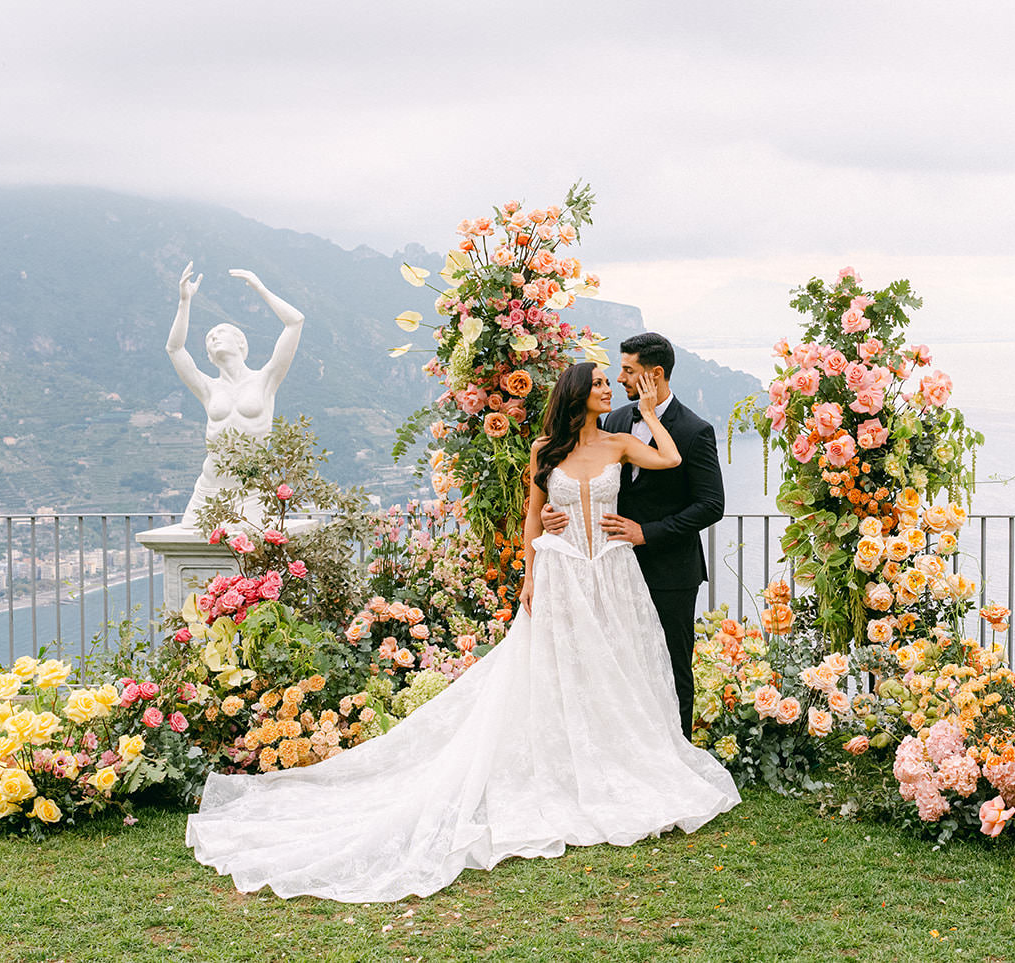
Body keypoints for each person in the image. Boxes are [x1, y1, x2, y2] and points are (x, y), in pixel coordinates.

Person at [185, 362, 739, 903]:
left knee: (616, 667)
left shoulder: (621, 439)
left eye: (607, 382)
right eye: (597, 383)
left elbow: (669, 458)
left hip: (614, 575)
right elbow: (532, 515)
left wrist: (649, 413)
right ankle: (564, 767)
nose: (606, 389)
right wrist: (528, 574)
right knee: (561, 670)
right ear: (575, 393)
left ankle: (616, 761)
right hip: (564, 571)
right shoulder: (544, 450)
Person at [541, 332, 725, 738]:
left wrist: (647, 533)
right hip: (612, 568)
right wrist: (552, 510)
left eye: (627, 371)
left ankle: (677, 751)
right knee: (618, 664)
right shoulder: (618, 420)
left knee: (671, 665)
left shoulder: (696, 430)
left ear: (654, 374)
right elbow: (584, 471)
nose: (619, 379)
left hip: (670, 570)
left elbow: (712, 505)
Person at [166, 263, 304, 527]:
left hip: (251, 492)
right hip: (209, 489)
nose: (214, 338)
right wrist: (185, 301)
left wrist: (261, 288)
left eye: (221, 333)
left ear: (241, 342)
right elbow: (175, 349)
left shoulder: (266, 379)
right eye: (209, 337)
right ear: (208, 355)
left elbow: (295, 322)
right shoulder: (208, 388)